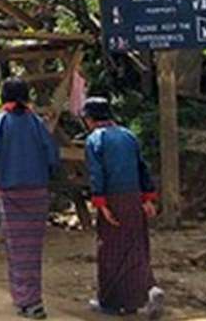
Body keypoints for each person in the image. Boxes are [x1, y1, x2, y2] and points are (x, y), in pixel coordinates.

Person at [0, 78, 60, 320]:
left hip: (12, 191)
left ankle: (28, 300)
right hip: (37, 191)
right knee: (33, 248)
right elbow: (52, 156)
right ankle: (28, 298)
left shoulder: (1, 122)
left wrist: (0, 176)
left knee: (17, 248)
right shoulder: (36, 122)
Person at [82, 97, 165, 319]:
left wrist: (100, 204)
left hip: (113, 198)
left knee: (109, 250)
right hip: (135, 197)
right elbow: (142, 167)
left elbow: (96, 174)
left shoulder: (94, 139)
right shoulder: (129, 135)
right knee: (135, 246)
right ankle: (142, 294)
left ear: (89, 119)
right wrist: (147, 198)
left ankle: (109, 302)